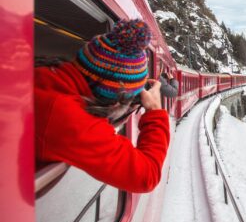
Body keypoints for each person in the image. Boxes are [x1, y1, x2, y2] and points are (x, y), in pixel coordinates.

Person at [34, 20, 170, 193]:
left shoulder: (44, 74)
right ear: (114, 98)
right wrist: (155, 112)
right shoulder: (71, 119)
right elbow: (146, 176)